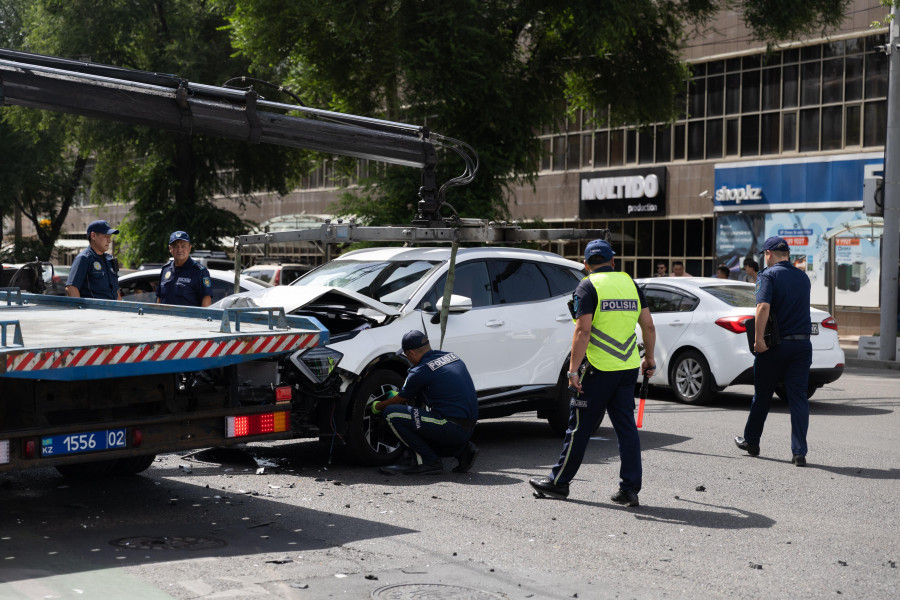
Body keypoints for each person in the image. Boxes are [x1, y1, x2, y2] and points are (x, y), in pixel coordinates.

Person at [529, 239, 656, 506]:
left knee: (578, 429)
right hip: (627, 367)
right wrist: (651, 359)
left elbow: (583, 330)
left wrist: (572, 371)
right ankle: (629, 489)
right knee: (626, 430)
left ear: (586, 265)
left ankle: (558, 483)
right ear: (613, 261)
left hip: (597, 369)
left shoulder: (588, 286)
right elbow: (648, 326)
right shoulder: (630, 284)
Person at [735, 236, 813, 466]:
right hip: (802, 345)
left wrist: (758, 339)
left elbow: (763, 307)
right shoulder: (803, 277)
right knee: (798, 398)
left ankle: (752, 441)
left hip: (775, 346)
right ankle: (799, 452)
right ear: (787, 254)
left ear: (768, 253)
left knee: (763, 395)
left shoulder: (767, 275)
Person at [371, 330, 479, 475]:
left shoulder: (420, 371)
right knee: (419, 419)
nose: (407, 358)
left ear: (412, 353)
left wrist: (377, 406)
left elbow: (400, 399)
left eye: (406, 355)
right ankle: (461, 450)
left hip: (449, 425)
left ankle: (428, 462)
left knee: (391, 413)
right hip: (468, 426)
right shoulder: (452, 357)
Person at [66, 220, 121, 300]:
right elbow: (71, 288)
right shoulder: (84, 258)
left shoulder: (109, 259)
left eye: (110, 237)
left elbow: (114, 292)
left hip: (112, 310)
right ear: (93, 236)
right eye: (106, 236)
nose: (109, 241)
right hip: (94, 311)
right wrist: (80, 311)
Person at [157, 231, 213, 307]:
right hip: (165, 318)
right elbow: (160, 298)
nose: (179, 250)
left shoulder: (199, 272)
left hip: (188, 318)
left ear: (190, 248)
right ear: (170, 248)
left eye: (183, 246)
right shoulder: (165, 269)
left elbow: (206, 300)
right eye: (176, 246)